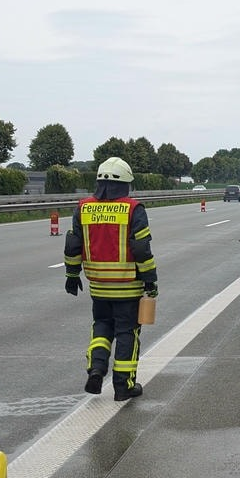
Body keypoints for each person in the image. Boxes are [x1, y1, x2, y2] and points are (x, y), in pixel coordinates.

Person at [63, 157, 158, 401]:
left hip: (98, 287)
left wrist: (72, 275)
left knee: (102, 327)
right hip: (127, 287)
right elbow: (141, 249)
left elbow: (73, 245)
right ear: (126, 184)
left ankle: (96, 369)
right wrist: (150, 280)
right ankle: (123, 386)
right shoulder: (133, 209)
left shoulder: (83, 208)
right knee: (127, 333)